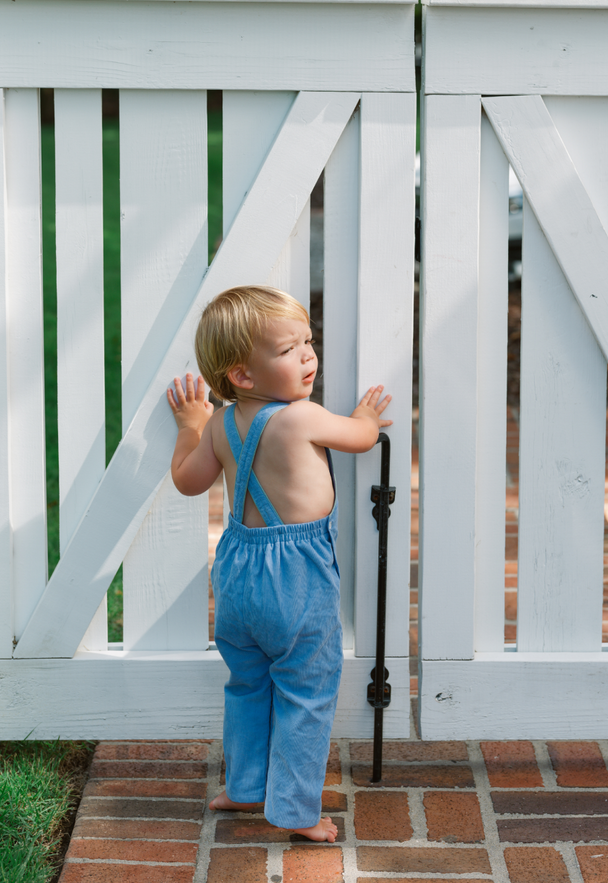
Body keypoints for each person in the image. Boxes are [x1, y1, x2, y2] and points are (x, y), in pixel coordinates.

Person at [166, 285, 392, 843]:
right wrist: (365, 414)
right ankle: (296, 812)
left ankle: (243, 787)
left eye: (309, 342)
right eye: (292, 349)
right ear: (243, 374)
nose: (310, 356)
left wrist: (190, 425)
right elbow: (363, 438)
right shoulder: (302, 418)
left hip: (238, 577)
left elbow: (187, 481)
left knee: (247, 684)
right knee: (306, 691)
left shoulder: (220, 426)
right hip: (296, 577)